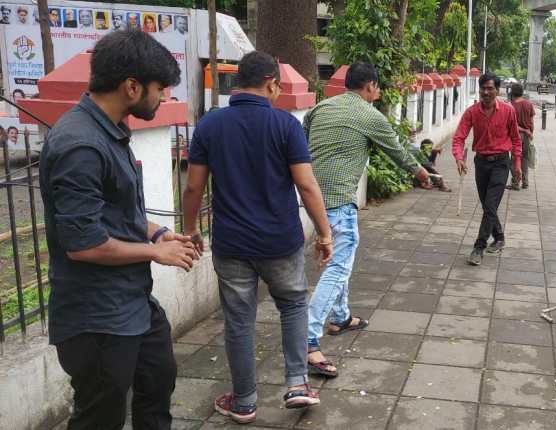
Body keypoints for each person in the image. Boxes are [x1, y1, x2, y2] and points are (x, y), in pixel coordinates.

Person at [38, 29, 198, 429]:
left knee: (158, 383)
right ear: (131, 86)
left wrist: (158, 234)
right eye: (160, 89)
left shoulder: (108, 133)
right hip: (96, 318)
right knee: (100, 417)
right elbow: (82, 243)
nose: (164, 99)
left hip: (132, 303)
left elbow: (117, 212)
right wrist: (155, 253)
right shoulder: (80, 146)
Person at [182, 51, 333, 421]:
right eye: (278, 86)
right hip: (281, 242)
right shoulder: (286, 125)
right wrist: (325, 233)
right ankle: (298, 384)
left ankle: (245, 401)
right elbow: (307, 185)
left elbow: (193, 188)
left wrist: (188, 230)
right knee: (294, 305)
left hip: (232, 244)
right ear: (270, 83)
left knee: (238, 319)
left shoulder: (210, 126)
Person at [303, 62, 430, 377]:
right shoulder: (370, 116)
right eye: (378, 87)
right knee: (337, 267)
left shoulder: (319, 109)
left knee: (342, 258)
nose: (379, 92)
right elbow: (397, 150)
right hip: (339, 202)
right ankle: (306, 339)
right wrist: (421, 172)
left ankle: (341, 317)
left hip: (312, 198)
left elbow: (303, 143)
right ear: (370, 86)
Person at [452, 72, 522, 266]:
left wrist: (516, 164)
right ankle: (499, 236)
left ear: (497, 90)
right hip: (481, 163)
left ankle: (479, 247)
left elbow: (516, 139)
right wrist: (458, 157)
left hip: (501, 163)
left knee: (490, 205)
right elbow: (459, 137)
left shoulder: (508, 111)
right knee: (487, 205)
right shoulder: (472, 112)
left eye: (490, 88)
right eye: (483, 88)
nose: (486, 92)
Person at [506, 83, 535, 190]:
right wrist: (530, 132)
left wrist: (524, 130)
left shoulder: (511, 106)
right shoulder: (529, 104)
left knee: (514, 159)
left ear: (512, 93)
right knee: (525, 159)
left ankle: (515, 183)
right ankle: (525, 182)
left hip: (515, 136)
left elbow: (512, 125)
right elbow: (532, 122)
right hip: (527, 136)